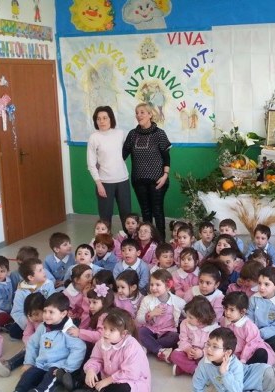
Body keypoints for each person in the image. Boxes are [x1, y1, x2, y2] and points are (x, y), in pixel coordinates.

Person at [12, 293, 86, 392]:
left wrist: (66, 369)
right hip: (41, 364)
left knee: (49, 379)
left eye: (51, 312)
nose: (46, 315)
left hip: (57, 367)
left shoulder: (69, 330)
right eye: (45, 311)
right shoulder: (43, 327)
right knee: (27, 376)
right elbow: (32, 344)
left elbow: (79, 349)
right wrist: (29, 362)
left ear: (63, 314)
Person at [123, 103, 172, 239]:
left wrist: (165, 176)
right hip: (138, 180)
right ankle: (148, 240)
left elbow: (166, 157)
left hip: (158, 180)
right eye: (137, 112)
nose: (139, 115)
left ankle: (161, 241)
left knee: (157, 211)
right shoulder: (132, 134)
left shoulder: (159, 134)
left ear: (150, 114)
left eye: (142, 112)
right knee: (146, 213)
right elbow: (122, 155)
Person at [83, 308, 151, 392]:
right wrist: (91, 370)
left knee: (122, 389)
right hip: (108, 376)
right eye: (105, 327)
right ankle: (85, 385)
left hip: (129, 380)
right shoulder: (102, 342)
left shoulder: (132, 346)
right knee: (88, 373)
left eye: (112, 330)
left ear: (123, 333)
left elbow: (131, 373)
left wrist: (108, 380)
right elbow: (96, 359)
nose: (106, 333)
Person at [87, 106, 132, 229]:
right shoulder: (94, 137)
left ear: (111, 119)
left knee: (127, 215)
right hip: (104, 182)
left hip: (122, 180)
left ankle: (129, 243)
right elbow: (91, 164)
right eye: (98, 119)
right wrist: (99, 183)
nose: (102, 121)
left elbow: (128, 150)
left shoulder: (120, 134)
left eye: (105, 118)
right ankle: (105, 244)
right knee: (105, 217)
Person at [191, 327, 275, 392]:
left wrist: (224, 373)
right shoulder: (204, 362)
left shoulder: (235, 365)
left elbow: (237, 390)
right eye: (208, 344)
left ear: (227, 352)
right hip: (236, 386)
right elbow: (197, 383)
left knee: (268, 372)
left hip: (251, 378)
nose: (209, 349)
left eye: (215, 347)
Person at [137, 269, 186, 361]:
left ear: (168, 287)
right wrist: (150, 314)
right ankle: (160, 351)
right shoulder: (147, 300)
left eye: (158, 285)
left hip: (167, 331)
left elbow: (187, 316)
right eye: (151, 284)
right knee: (141, 332)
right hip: (151, 330)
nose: (153, 288)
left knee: (175, 337)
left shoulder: (178, 302)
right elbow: (138, 319)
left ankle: (148, 346)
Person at [221, 292, 275, 365]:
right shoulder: (225, 321)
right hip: (236, 352)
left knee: (261, 354)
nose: (227, 313)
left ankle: (247, 369)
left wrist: (243, 359)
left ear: (242, 312)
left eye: (232, 310)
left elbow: (251, 345)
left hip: (250, 351)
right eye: (226, 308)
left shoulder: (248, 326)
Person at [169, 296, 219, 376]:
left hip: (205, 354)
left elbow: (213, 347)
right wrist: (188, 349)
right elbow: (183, 340)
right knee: (175, 355)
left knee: (214, 360)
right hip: (189, 352)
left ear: (201, 319)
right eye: (187, 316)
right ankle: (197, 372)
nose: (187, 319)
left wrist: (202, 353)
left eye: (190, 317)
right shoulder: (185, 324)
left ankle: (183, 368)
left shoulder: (214, 329)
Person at [247, 267, 275, 352]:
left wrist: (261, 333)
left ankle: (262, 348)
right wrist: (253, 331)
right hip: (253, 332)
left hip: (268, 335)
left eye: (266, 284)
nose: (261, 287)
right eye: (259, 283)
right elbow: (249, 317)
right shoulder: (253, 298)